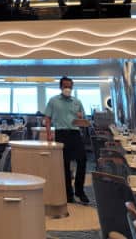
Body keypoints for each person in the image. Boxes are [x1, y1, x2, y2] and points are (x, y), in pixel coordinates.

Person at [44, 76, 88, 204]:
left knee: (83, 160)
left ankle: (79, 191)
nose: (67, 88)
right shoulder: (53, 101)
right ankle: (68, 194)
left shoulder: (77, 101)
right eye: (65, 86)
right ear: (61, 87)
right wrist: (48, 134)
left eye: (70, 86)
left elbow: (83, 120)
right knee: (65, 164)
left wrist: (81, 117)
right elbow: (47, 118)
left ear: (72, 87)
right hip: (61, 133)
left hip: (75, 133)